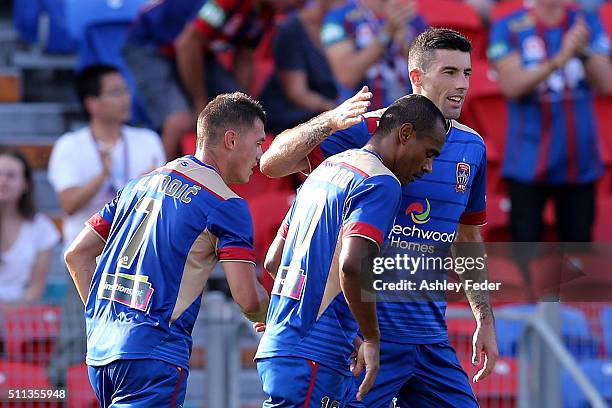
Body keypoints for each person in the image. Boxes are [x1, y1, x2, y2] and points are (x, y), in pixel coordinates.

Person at [260, 28, 498, 407]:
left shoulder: (473, 147)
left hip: (428, 339)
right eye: (449, 72)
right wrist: (329, 121)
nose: (462, 84)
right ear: (416, 78)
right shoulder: (369, 131)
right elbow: (271, 164)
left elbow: (467, 239)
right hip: (369, 335)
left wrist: (483, 318)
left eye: (467, 73)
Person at [63, 92, 271, 407]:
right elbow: (247, 297)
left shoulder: (138, 185)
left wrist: (104, 316)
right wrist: (275, 317)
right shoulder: (226, 203)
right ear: (230, 139)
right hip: (154, 355)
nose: (260, 154)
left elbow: (76, 255)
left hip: (102, 350)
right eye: (257, 143)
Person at [255, 94, 447, 406]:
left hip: (283, 345)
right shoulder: (381, 183)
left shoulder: (323, 170)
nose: (428, 166)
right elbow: (352, 266)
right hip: (315, 355)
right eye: (428, 153)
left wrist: (346, 330)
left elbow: (274, 260)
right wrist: (371, 338)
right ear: (406, 134)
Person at [47, 64, 165, 387]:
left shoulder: (147, 139)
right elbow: (68, 204)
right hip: (87, 267)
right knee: (75, 348)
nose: (126, 98)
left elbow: (158, 198)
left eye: (125, 90)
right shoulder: (70, 146)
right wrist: (102, 175)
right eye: (115, 92)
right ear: (92, 103)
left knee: (135, 352)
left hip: (138, 267)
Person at [488, 0, 610, 244]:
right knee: (526, 254)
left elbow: (606, 84)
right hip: (527, 162)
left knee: (577, 256)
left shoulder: (587, 22)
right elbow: (512, 86)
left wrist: (582, 52)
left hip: (580, 164)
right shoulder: (507, 26)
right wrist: (559, 60)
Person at [122, 0, 205, 160]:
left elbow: (246, 55)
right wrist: (199, 101)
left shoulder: (260, 13)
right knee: (179, 120)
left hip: (187, 47)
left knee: (235, 115)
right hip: (148, 46)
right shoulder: (223, 4)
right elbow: (186, 45)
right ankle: (160, 182)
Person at [321, 0, 427, 110]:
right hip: (361, 117)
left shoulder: (412, 17)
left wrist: (406, 47)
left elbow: (428, 76)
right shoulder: (339, 18)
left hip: (409, 114)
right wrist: (387, 33)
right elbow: (346, 77)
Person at [259, 0, 342, 134]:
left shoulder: (350, 30)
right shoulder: (292, 29)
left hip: (330, 115)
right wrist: (335, 110)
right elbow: (297, 93)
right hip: (291, 118)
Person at [0, 150, 60, 304]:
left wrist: (9, 312)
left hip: (20, 318)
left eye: (11, 176)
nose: (2, 182)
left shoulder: (42, 228)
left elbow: (35, 289)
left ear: (26, 184)